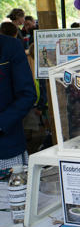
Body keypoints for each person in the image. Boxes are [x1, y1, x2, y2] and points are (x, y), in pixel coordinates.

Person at [0, 32, 37, 178]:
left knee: (12, 198)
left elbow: (27, 95)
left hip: (6, 147)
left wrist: (2, 123)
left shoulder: (10, 46)